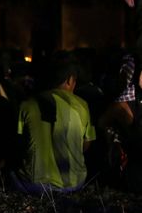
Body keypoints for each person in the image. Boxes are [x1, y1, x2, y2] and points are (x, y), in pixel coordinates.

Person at [13, 54, 96, 193]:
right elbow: (86, 145)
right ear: (70, 80)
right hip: (74, 184)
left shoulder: (27, 105)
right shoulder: (82, 105)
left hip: (36, 186)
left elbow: (19, 143)